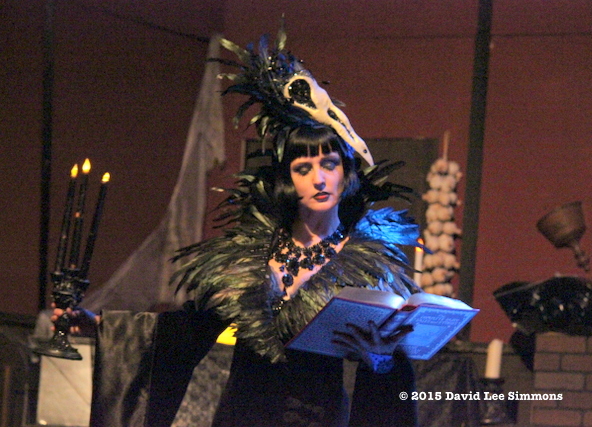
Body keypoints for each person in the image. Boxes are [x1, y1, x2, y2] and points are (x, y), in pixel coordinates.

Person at [54, 28, 424, 427]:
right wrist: (98, 325)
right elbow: (183, 334)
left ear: (345, 172)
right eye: (303, 168)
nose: (319, 179)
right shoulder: (249, 257)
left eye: (329, 164)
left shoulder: (366, 267)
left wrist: (380, 360)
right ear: (288, 179)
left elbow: (392, 372)